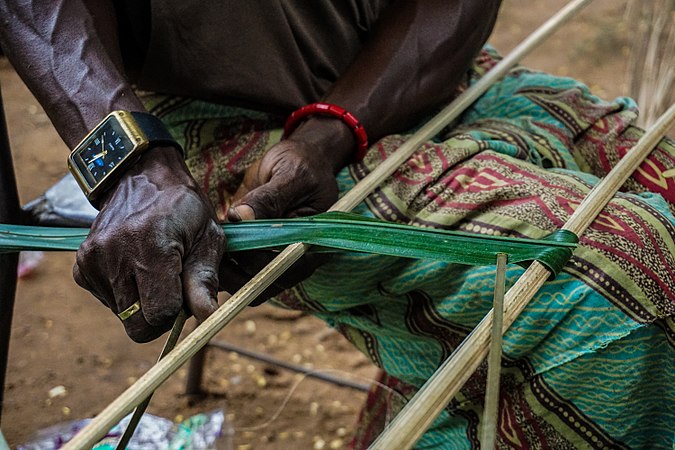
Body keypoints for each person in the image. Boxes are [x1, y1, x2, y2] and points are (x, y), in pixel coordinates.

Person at [2, 1, 674, 448]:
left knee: (657, 198)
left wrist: (329, 134)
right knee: (616, 284)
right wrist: (132, 167)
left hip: (418, 72)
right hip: (200, 130)